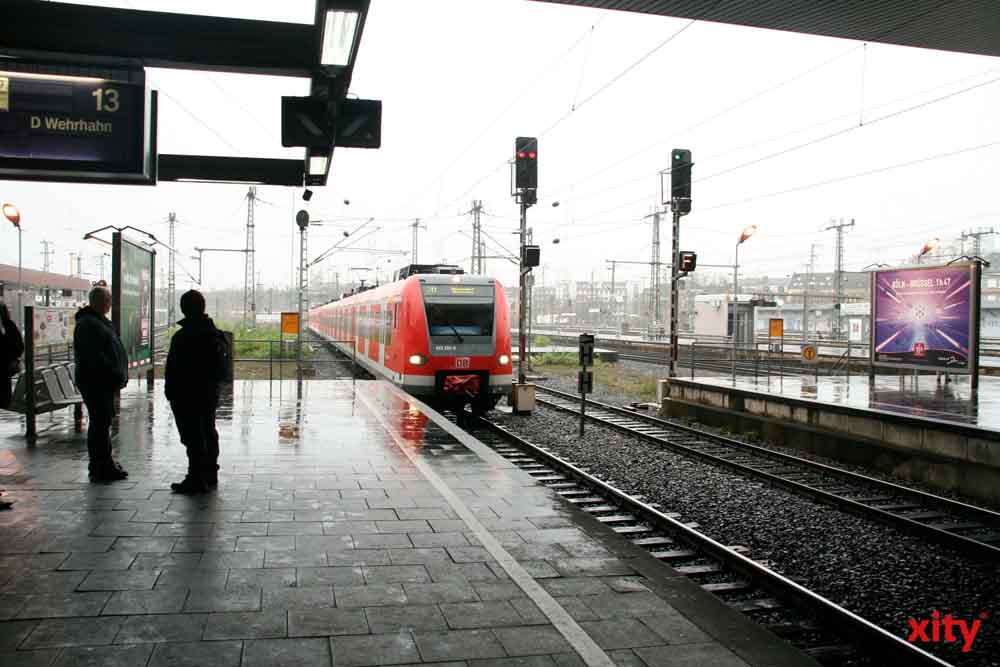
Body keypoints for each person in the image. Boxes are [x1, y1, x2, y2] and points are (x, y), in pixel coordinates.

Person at [165, 290, 228, 494]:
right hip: (209, 394)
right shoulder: (215, 335)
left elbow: (173, 370)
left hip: (186, 395)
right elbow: (222, 370)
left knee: (192, 437)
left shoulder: (183, 337)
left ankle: (195, 478)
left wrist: (171, 393)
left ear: (184, 309)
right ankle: (210, 473)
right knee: (208, 432)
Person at [74, 285, 129, 482]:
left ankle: (104, 462)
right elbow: (94, 357)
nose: (109, 304)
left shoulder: (98, 322)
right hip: (96, 382)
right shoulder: (89, 324)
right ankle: (100, 466)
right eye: (107, 300)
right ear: (98, 302)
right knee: (99, 423)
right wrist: (114, 373)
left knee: (102, 422)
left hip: (102, 382)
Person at [0, 302, 24, 410]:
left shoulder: (8, 326)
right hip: (5, 369)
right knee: (4, 398)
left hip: (5, 368)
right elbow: (19, 346)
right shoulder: (10, 325)